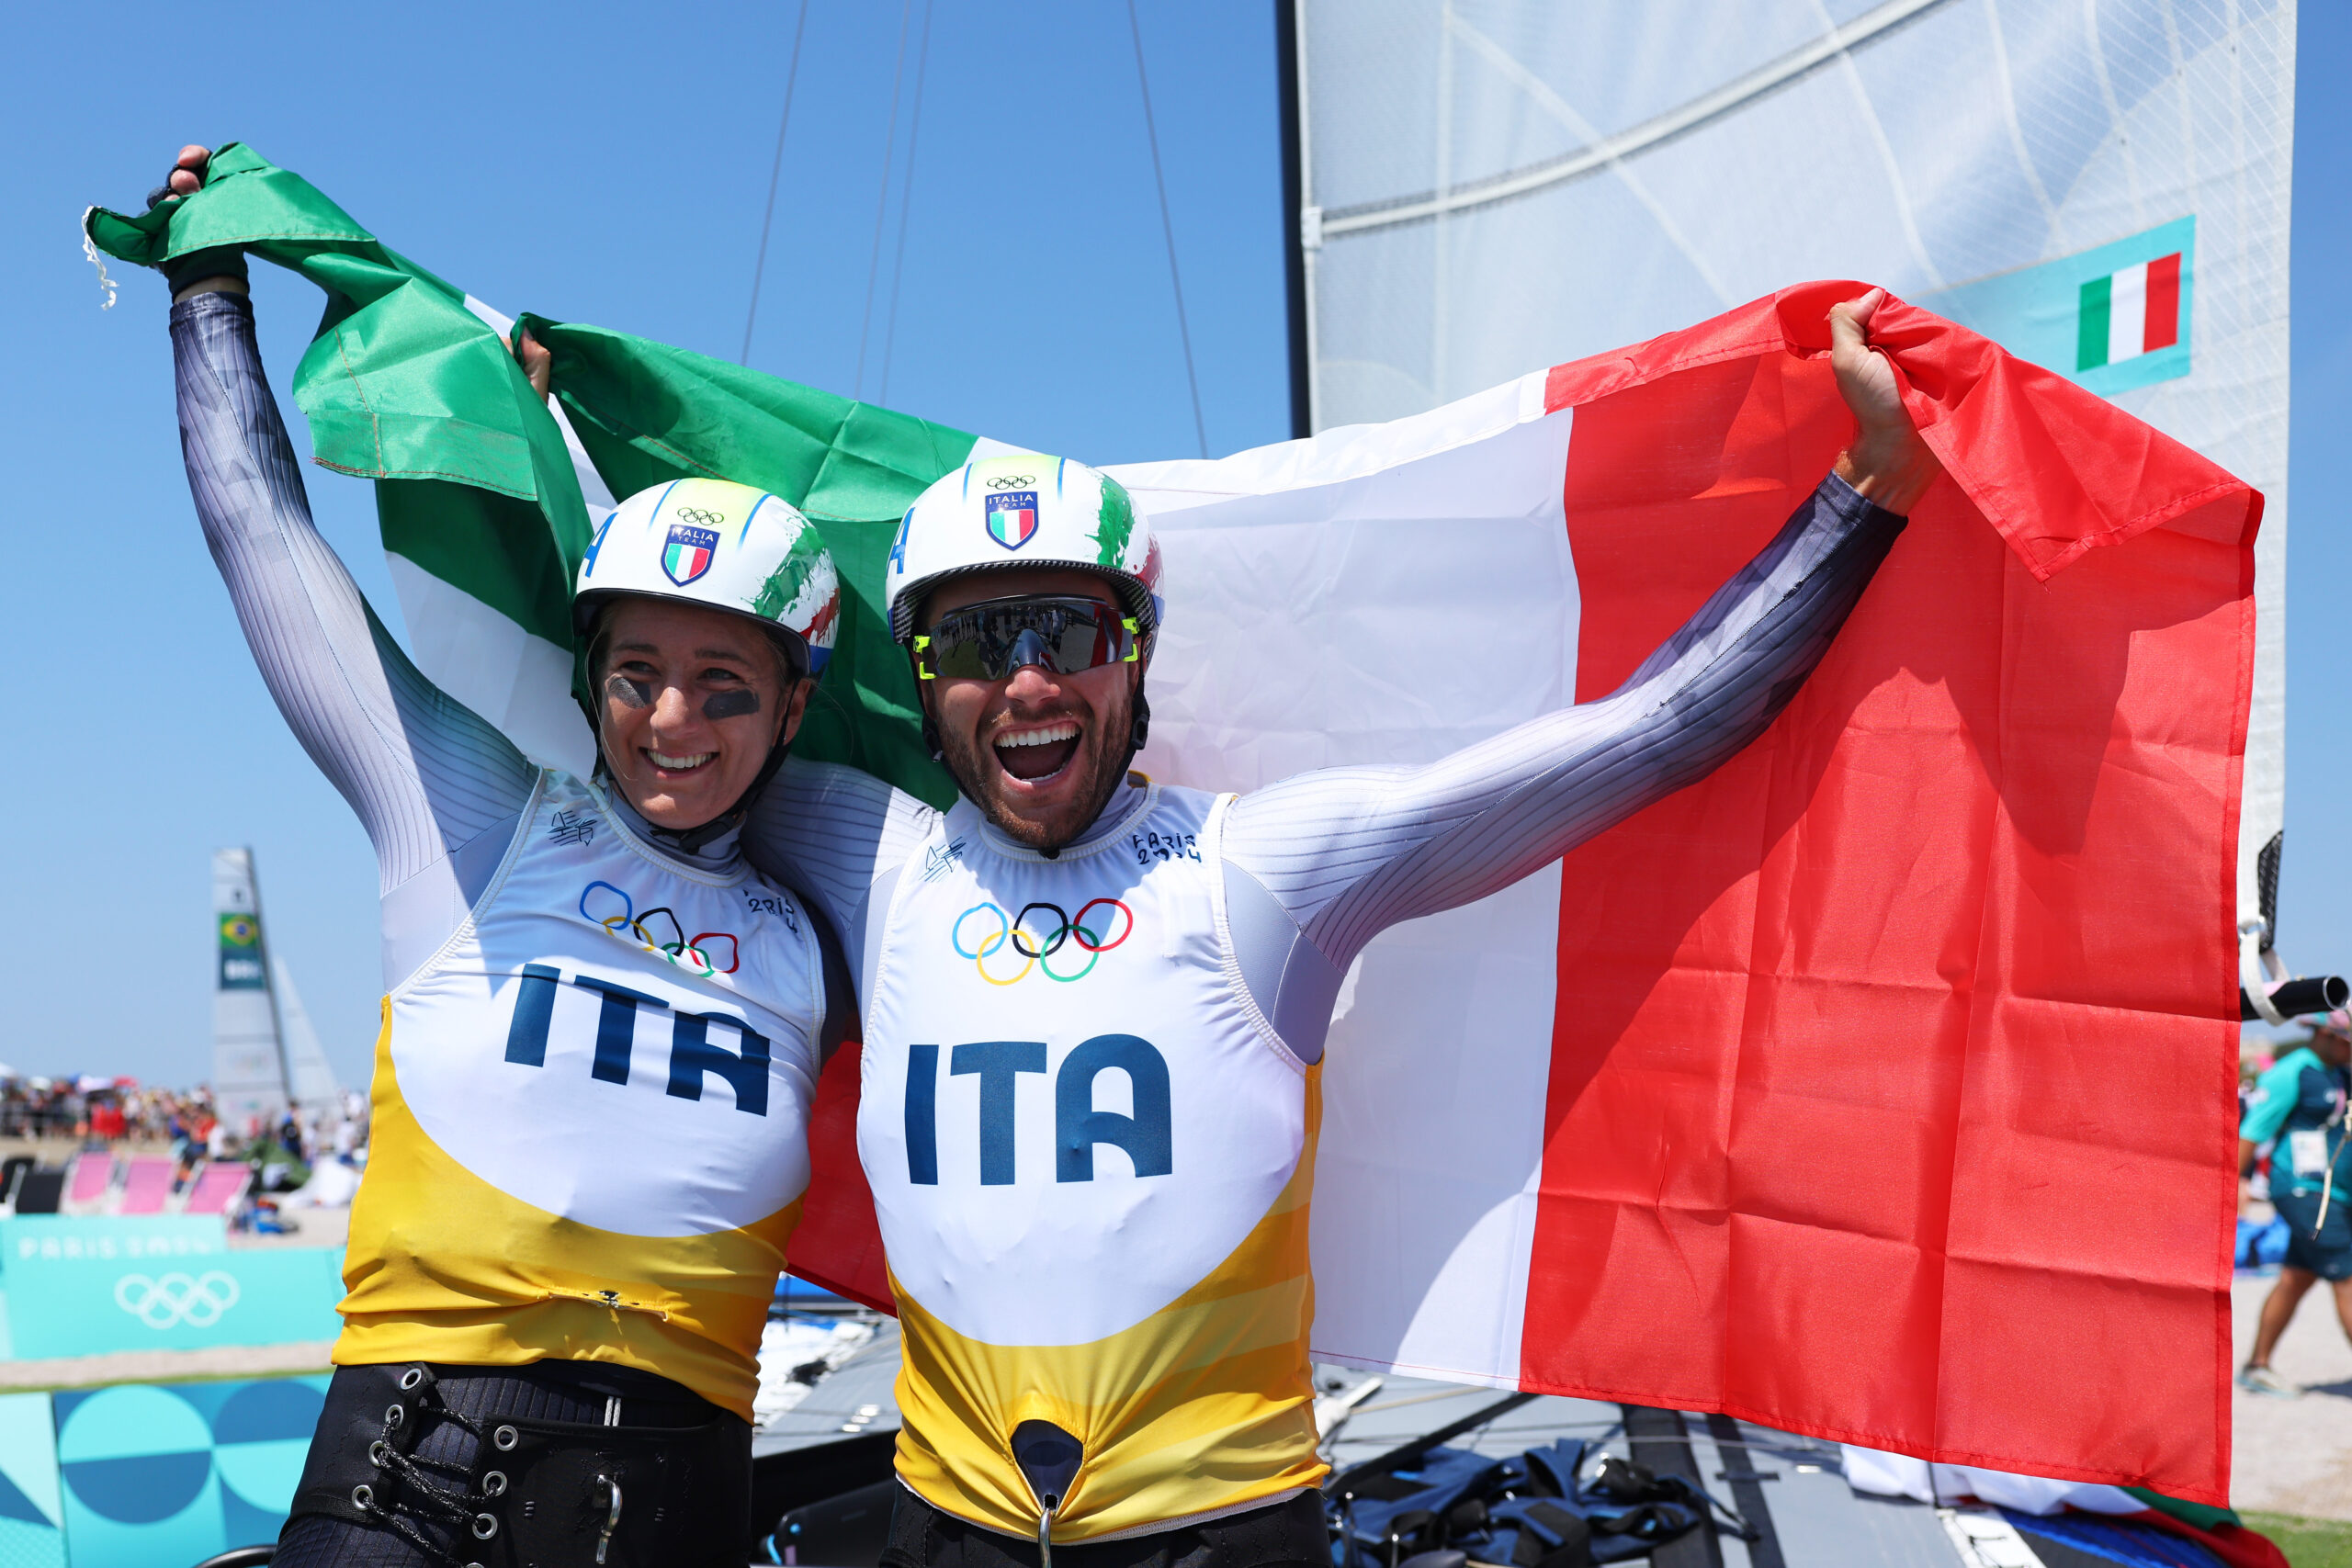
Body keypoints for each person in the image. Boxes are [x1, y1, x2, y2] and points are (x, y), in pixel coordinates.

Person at [746, 290, 1938, 1564]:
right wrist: (522, 431)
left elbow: (1650, 731)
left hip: (1226, 1531)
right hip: (949, 1530)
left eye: (1071, 628)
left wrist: (1870, 484)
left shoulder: (1260, 868)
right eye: (980, 637)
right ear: (922, 674)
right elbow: (648, 721)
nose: (1030, 677)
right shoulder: (866, 857)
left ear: (1133, 655)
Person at [153, 144, 853, 1566]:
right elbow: (263, 539)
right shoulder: (479, 810)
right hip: (404, 1493)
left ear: (796, 703)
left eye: (725, 685)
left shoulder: (833, 910)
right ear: (589, 671)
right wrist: (209, 290)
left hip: (685, 1509)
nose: (670, 720)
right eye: (638, 670)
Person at [2236, 1010, 2352, 1397]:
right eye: (2345, 1040)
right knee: (2348, 1278)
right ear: (2323, 1034)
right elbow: (2252, 1132)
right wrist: (2232, 1187)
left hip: (2334, 1192)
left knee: (2295, 1278)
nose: (2349, 1047)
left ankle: (2257, 1366)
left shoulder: (2338, 1072)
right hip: (2303, 1191)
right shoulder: (2292, 1071)